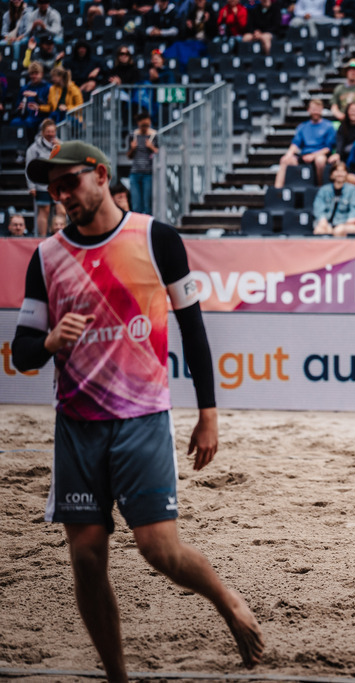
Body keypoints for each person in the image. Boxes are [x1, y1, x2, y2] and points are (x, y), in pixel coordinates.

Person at [13, 141, 264, 683]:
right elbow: (21, 351)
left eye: (69, 183)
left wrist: (209, 414)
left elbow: (193, 330)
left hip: (142, 418)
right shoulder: (47, 256)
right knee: (85, 557)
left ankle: (226, 598)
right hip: (76, 426)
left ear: (100, 175)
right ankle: (117, 678)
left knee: (159, 550)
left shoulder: (156, 238)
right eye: (52, 190)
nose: (61, 197)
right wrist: (51, 340)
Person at [274, 99, 333, 189]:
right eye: (313, 109)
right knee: (285, 160)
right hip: (304, 155)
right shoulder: (303, 126)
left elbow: (328, 148)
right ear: (308, 110)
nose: (315, 112)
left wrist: (313, 156)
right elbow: (295, 144)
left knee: (320, 160)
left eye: (318, 109)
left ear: (322, 110)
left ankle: (321, 188)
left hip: (320, 154)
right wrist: (288, 155)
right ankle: (277, 190)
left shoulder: (328, 126)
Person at [25, 118, 65, 235]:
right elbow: (28, 167)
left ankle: (61, 236)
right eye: (48, 131)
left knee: (61, 210)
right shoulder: (33, 148)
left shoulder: (60, 145)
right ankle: (42, 237)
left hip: (58, 183)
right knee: (44, 211)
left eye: (53, 131)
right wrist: (31, 186)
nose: (50, 134)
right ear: (42, 132)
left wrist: (59, 148)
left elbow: (65, 162)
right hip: (41, 185)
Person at [313, 161, 355, 236]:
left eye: (342, 171)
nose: (340, 174)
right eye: (337, 171)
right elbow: (318, 207)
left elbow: (354, 209)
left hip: (344, 222)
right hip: (326, 222)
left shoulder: (352, 190)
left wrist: (348, 222)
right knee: (319, 230)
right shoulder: (324, 190)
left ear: (346, 174)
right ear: (332, 174)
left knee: (339, 231)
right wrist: (322, 219)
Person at [127, 110, 158, 216]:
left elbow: (160, 153)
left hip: (148, 173)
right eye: (143, 125)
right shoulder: (133, 136)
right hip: (135, 172)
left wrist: (151, 147)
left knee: (147, 205)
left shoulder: (154, 136)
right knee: (136, 205)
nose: (145, 127)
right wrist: (132, 148)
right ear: (138, 124)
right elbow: (129, 156)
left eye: (147, 125)